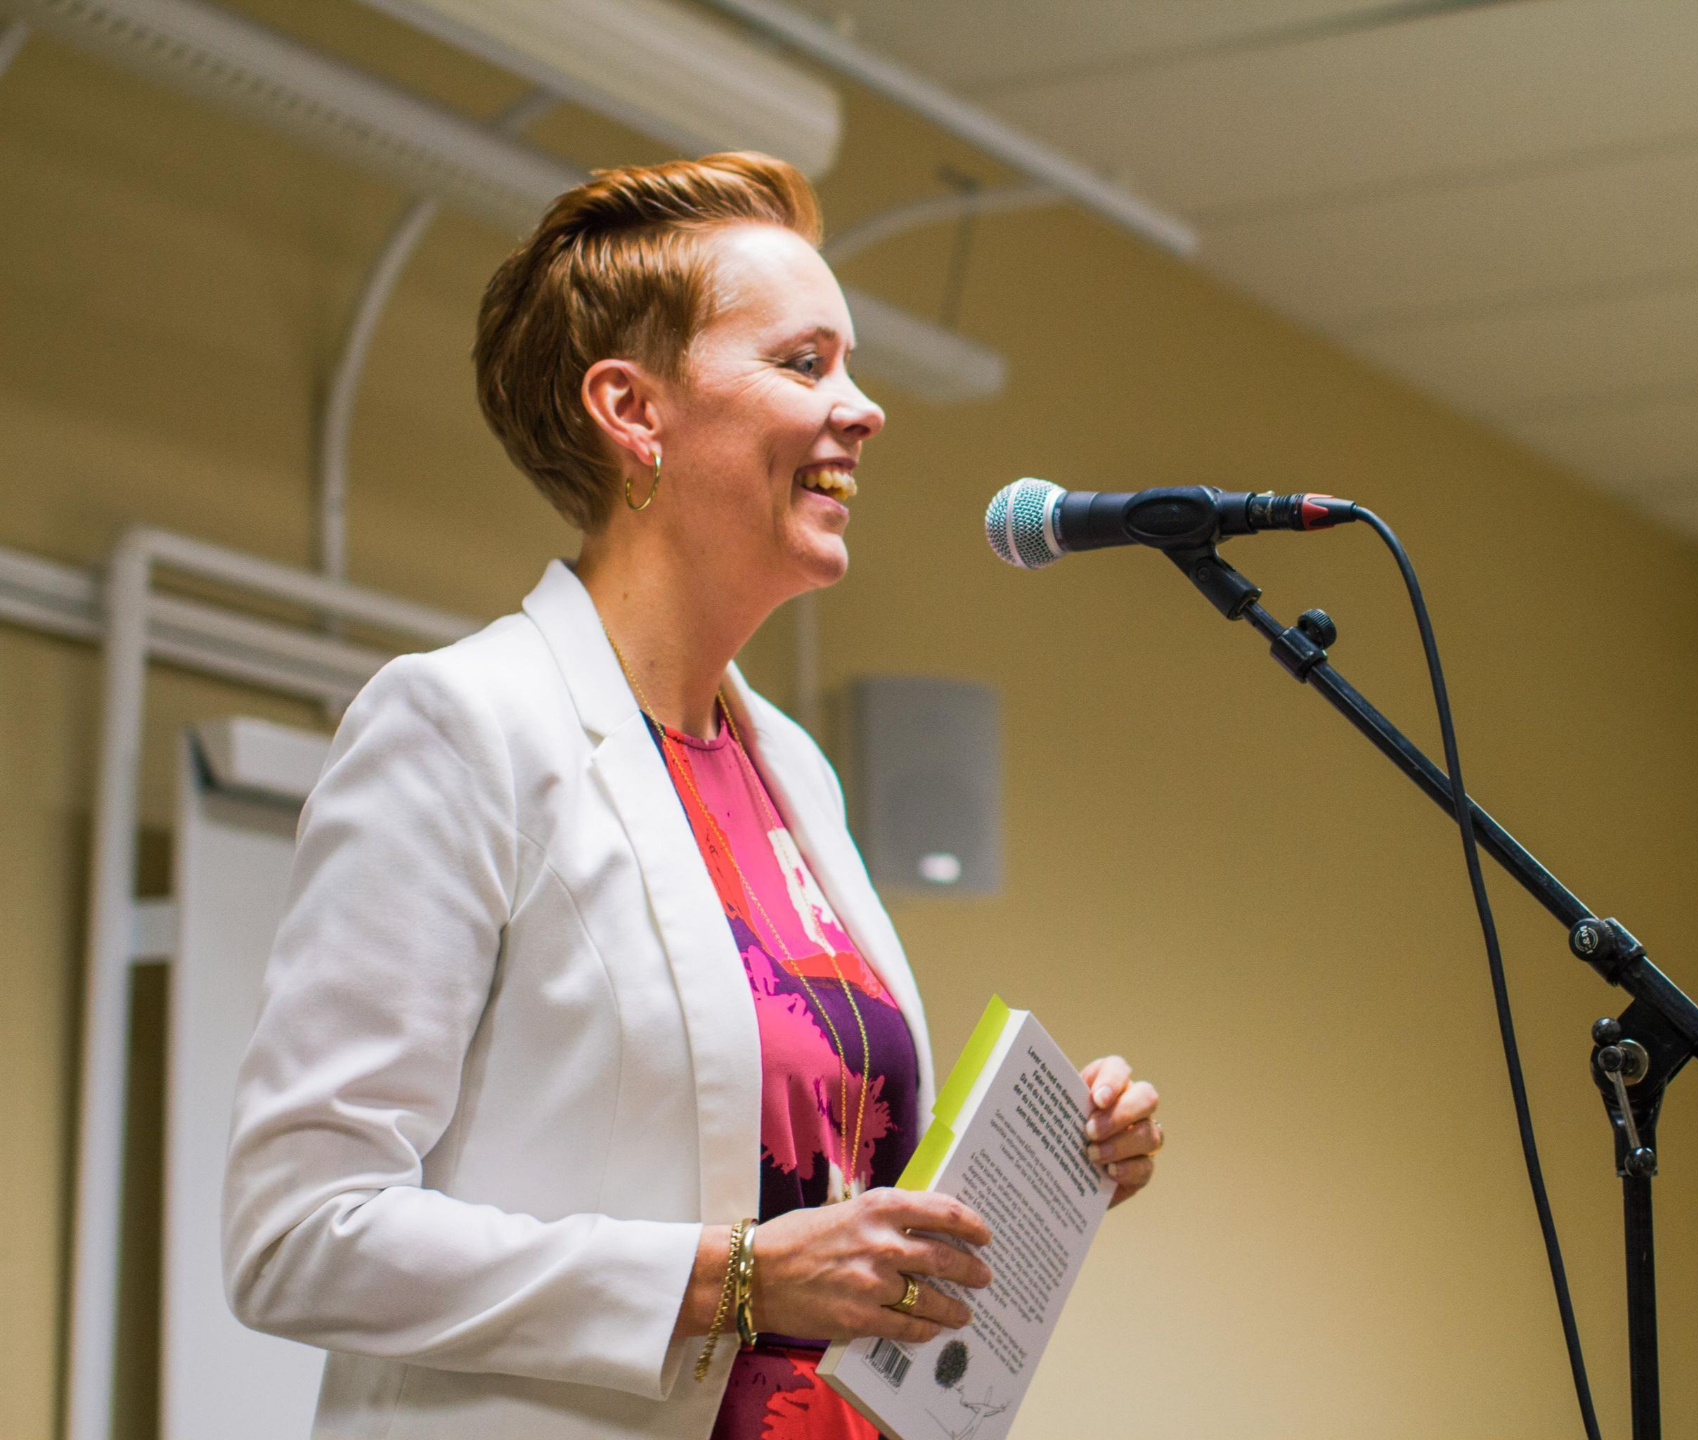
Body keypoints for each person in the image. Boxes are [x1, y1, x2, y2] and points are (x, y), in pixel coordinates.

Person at [222, 151, 1163, 1440]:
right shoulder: (463, 725)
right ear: (633, 410)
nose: (864, 409)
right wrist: (730, 1279)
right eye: (804, 363)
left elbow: (831, 1209)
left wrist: (1044, 1165)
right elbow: (297, 1235)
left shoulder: (795, 773)